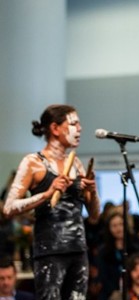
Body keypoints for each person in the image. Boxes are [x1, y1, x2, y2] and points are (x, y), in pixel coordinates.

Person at [2, 104, 100, 300]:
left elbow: (95, 216)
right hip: (49, 250)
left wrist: (92, 191)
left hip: (78, 250)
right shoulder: (33, 162)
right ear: (55, 128)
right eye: (73, 124)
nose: (79, 129)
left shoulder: (77, 163)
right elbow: (8, 207)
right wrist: (47, 194)